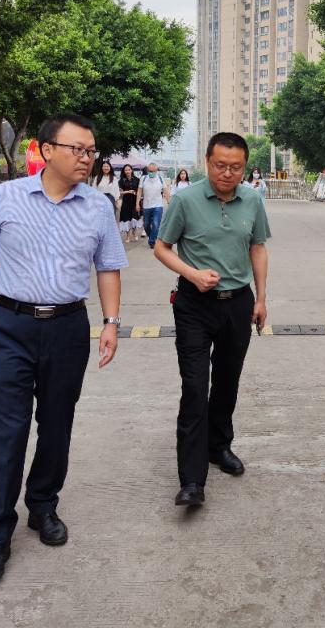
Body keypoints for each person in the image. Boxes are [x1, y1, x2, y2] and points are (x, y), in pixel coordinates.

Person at [0, 114, 127, 582]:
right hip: (9, 324)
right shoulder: (6, 196)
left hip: (67, 327)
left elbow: (108, 267)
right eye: (78, 149)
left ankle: (42, 505)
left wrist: (111, 323)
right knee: (7, 430)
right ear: (48, 149)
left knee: (57, 424)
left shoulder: (98, 206)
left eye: (91, 151)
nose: (86, 158)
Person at [154, 132, 271, 507]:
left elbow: (258, 247)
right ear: (207, 162)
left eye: (236, 167)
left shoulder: (252, 199)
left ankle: (219, 446)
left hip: (238, 303)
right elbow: (161, 247)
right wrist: (191, 274)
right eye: (220, 165)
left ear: (245, 167)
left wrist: (261, 298)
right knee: (194, 386)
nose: (227, 173)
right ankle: (191, 480)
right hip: (194, 304)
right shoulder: (185, 199)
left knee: (226, 380)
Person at [136, 162, 169, 248]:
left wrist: (169, 203)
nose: (151, 172)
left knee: (156, 224)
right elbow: (139, 191)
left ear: (156, 170)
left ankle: (152, 241)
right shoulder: (143, 179)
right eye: (149, 171)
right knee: (146, 225)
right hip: (146, 206)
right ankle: (153, 237)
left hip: (158, 205)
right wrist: (137, 203)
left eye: (153, 171)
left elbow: (165, 191)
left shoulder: (160, 179)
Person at [117, 164, 140, 243]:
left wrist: (138, 198)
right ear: (124, 171)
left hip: (135, 201)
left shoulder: (137, 180)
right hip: (126, 202)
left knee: (134, 218)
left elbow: (140, 191)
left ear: (131, 170)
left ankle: (134, 232)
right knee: (126, 218)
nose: (127, 171)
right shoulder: (121, 180)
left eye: (129, 170)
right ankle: (127, 236)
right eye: (126, 170)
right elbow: (120, 192)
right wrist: (128, 191)